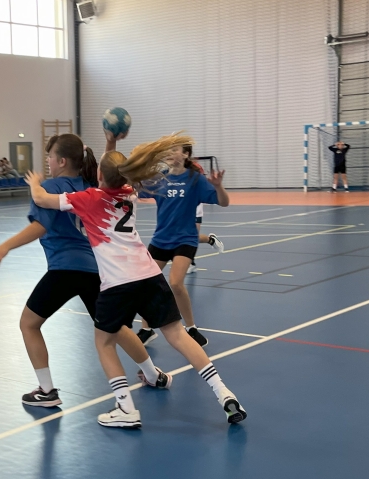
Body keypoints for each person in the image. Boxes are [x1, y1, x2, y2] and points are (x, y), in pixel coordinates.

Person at [27, 132, 247, 427]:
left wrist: (34, 182)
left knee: (104, 342)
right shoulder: (129, 193)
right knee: (177, 335)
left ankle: (126, 409)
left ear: (99, 177)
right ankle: (225, 394)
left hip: (118, 282)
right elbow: (112, 171)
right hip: (150, 274)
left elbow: (41, 198)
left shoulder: (88, 199)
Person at [0, 132, 171, 413]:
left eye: (50, 156)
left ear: (61, 161)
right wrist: (110, 143)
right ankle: (153, 375)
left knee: (28, 324)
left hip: (65, 268)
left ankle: (46, 391)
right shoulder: (89, 184)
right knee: (116, 327)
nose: (47, 161)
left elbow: (40, 226)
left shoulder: (51, 187)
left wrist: (5, 246)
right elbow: (108, 169)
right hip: (95, 268)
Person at [135, 142, 230, 348]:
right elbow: (135, 189)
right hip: (161, 239)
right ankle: (146, 329)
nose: (170, 153)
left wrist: (218, 186)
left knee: (176, 283)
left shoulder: (195, 179)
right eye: (168, 150)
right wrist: (137, 166)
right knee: (145, 284)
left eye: (174, 150)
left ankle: (191, 328)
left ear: (185, 154)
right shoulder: (160, 179)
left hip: (185, 239)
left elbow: (224, 202)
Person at [183, 148, 224, 274]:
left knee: (192, 237)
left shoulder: (195, 169)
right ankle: (211, 240)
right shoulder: (173, 171)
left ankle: (191, 263)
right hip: (181, 208)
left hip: (195, 208)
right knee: (181, 236)